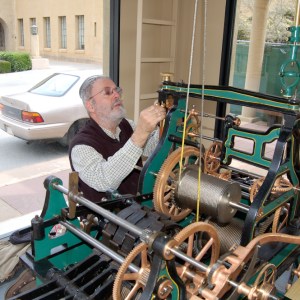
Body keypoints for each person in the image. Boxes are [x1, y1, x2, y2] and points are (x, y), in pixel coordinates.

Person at [69, 75, 166, 203]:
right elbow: (104, 180)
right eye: (108, 92)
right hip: (106, 219)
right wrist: (140, 133)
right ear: (91, 106)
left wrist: (166, 124)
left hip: (137, 207)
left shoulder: (126, 125)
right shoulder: (81, 146)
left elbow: (151, 148)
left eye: (117, 90)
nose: (116, 95)